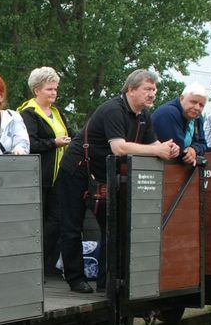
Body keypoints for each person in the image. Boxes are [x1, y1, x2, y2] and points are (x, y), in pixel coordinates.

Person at [57, 69, 180, 294]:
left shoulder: (144, 116)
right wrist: (157, 150)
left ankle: (107, 281)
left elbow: (154, 145)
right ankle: (76, 279)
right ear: (131, 90)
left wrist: (170, 148)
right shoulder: (113, 109)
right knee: (72, 226)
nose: (152, 94)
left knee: (111, 227)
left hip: (103, 173)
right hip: (76, 170)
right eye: (147, 89)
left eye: (154, 89)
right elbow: (119, 147)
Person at [18, 66, 76, 276]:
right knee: (35, 222)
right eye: (49, 89)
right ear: (37, 90)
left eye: (55, 89)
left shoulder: (57, 112)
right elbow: (29, 144)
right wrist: (54, 142)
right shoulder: (27, 113)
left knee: (56, 221)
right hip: (36, 177)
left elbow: (71, 135)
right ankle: (30, 267)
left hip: (58, 177)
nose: (54, 93)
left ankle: (43, 264)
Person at [151, 83, 207, 166]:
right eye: (193, 102)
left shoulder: (197, 117)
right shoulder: (168, 113)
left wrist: (194, 149)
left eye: (201, 105)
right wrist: (189, 153)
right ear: (181, 98)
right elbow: (178, 150)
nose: (197, 108)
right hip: (155, 166)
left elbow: (203, 144)